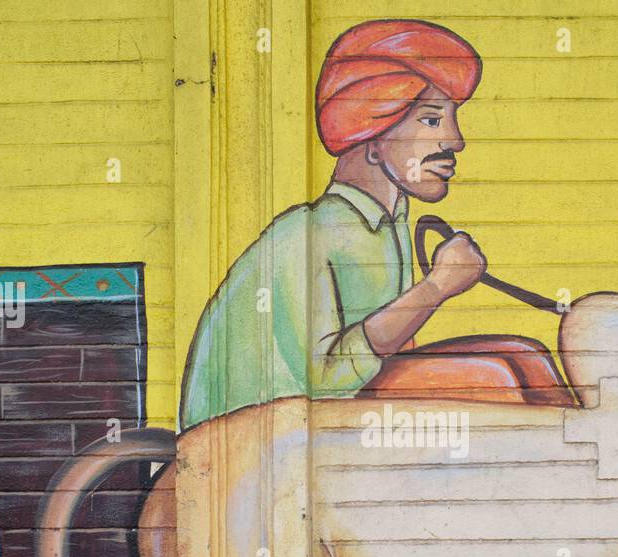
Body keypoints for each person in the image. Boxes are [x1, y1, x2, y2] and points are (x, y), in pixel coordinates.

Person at [179, 18, 571, 430]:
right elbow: (327, 379)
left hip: (335, 407)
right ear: (369, 134)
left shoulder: (391, 226)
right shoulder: (305, 234)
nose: (455, 141)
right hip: (267, 427)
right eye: (433, 120)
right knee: (498, 382)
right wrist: (435, 288)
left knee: (527, 357)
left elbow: (380, 361)